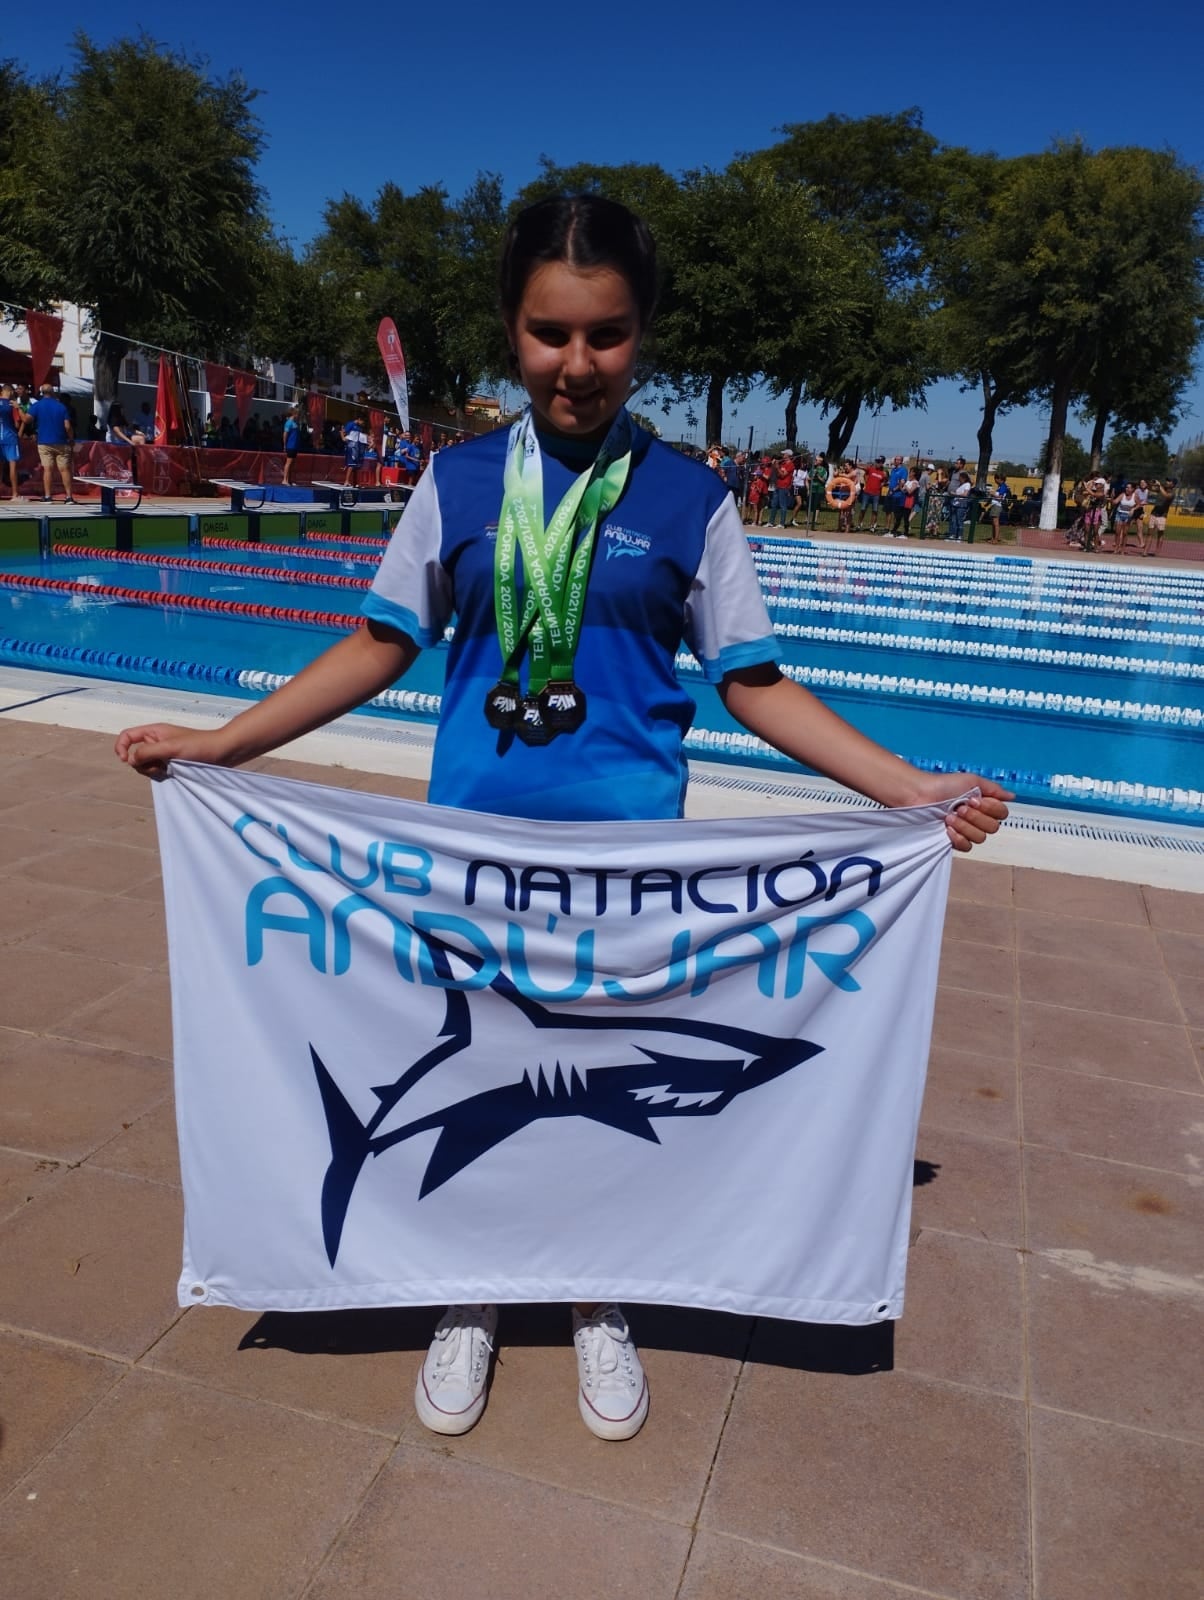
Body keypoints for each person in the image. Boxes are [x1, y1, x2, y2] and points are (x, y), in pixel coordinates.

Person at [114, 193, 1009, 1446]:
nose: (575, 365)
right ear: (510, 330)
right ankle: (465, 1289)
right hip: (471, 866)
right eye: (548, 334)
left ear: (641, 336)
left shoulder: (692, 496)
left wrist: (904, 790)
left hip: (628, 882)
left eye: (606, 336)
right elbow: (381, 645)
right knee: (486, 1075)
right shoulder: (459, 478)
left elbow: (751, 681)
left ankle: (601, 1292)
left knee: (598, 1098)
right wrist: (220, 743)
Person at [24, 382, 75, 502]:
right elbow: (67, 426)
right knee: (64, 469)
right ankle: (69, 496)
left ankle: (47, 496)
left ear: (42, 393)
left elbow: (27, 419)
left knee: (47, 469)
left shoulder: (37, 405)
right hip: (61, 441)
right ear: (52, 392)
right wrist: (71, 438)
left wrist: (18, 408)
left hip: (44, 442)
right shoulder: (61, 406)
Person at [0, 383, 25, 500]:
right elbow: (17, 423)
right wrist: (18, 407)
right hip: (10, 438)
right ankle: (15, 494)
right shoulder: (12, 405)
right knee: (12, 466)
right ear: (9, 392)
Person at [1145, 478, 1174, 557]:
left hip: (1162, 515)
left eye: (1169, 481)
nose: (1167, 482)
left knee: (1160, 534)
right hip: (1154, 513)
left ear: (1173, 484)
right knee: (1149, 533)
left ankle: (1157, 552)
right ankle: (1145, 551)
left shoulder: (1171, 493)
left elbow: (1166, 496)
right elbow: (1150, 488)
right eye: (1167, 481)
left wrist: (1159, 485)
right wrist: (1150, 483)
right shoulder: (1161, 488)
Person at [857, 457, 886, 532]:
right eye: (876, 462)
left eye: (879, 462)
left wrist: (882, 485)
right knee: (863, 508)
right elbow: (863, 468)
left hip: (876, 494)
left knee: (875, 510)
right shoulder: (871, 469)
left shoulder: (883, 473)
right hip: (867, 492)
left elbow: (885, 480)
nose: (877, 463)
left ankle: (872, 526)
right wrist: (858, 465)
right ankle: (859, 524)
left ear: (882, 463)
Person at [945, 471, 973, 541]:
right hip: (955, 503)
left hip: (961, 503)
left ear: (963, 478)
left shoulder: (967, 484)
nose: (958, 479)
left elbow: (965, 494)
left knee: (959, 520)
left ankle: (959, 536)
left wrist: (955, 494)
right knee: (953, 520)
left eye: (960, 477)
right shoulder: (960, 485)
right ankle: (952, 534)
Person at [983, 475, 1010, 543]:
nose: (995, 480)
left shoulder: (1003, 487)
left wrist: (992, 493)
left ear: (1000, 479)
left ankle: (996, 539)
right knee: (993, 523)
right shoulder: (1000, 487)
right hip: (995, 505)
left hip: (997, 506)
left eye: (996, 479)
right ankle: (993, 537)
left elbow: (1000, 497)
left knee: (996, 523)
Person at [341, 415, 367, 486]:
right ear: (359, 419)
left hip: (357, 448)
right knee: (351, 464)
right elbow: (343, 432)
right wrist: (343, 438)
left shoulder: (360, 428)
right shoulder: (351, 424)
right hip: (351, 447)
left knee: (357, 465)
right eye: (362, 422)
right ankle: (346, 481)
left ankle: (355, 482)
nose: (362, 424)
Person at [282, 406, 302, 485]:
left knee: (292, 464)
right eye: (298, 414)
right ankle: (284, 480)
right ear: (294, 414)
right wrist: (284, 444)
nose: (299, 416)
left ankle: (289, 480)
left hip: (295, 446)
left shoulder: (295, 423)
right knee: (288, 463)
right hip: (290, 445)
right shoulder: (289, 423)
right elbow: (285, 434)